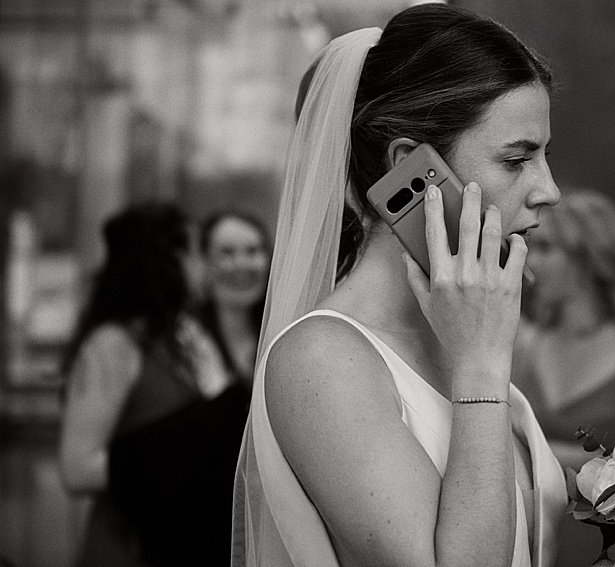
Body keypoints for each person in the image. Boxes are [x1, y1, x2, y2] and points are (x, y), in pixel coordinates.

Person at [232, 4, 569, 567]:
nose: (549, 190)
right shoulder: (321, 360)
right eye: (517, 160)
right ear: (415, 171)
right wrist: (483, 362)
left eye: (544, 156)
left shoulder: (458, 336)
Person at [59, 202, 249, 567]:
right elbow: (77, 467)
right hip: (128, 547)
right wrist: (184, 455)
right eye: (195, 250)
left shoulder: (180, 337)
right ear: (165, 260)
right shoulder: (113, 344)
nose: (205, 264)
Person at [513, 189, 615, 567]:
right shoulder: (524, 345)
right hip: (534, 548)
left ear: (588, 257)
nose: (530, 261)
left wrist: (547, 459)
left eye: (546, 248)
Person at [196, 211, 270, 389]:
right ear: (204, 261)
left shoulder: (281, 330)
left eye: (252, 251)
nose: (241, 264)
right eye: (227, 252)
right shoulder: (187, 337)